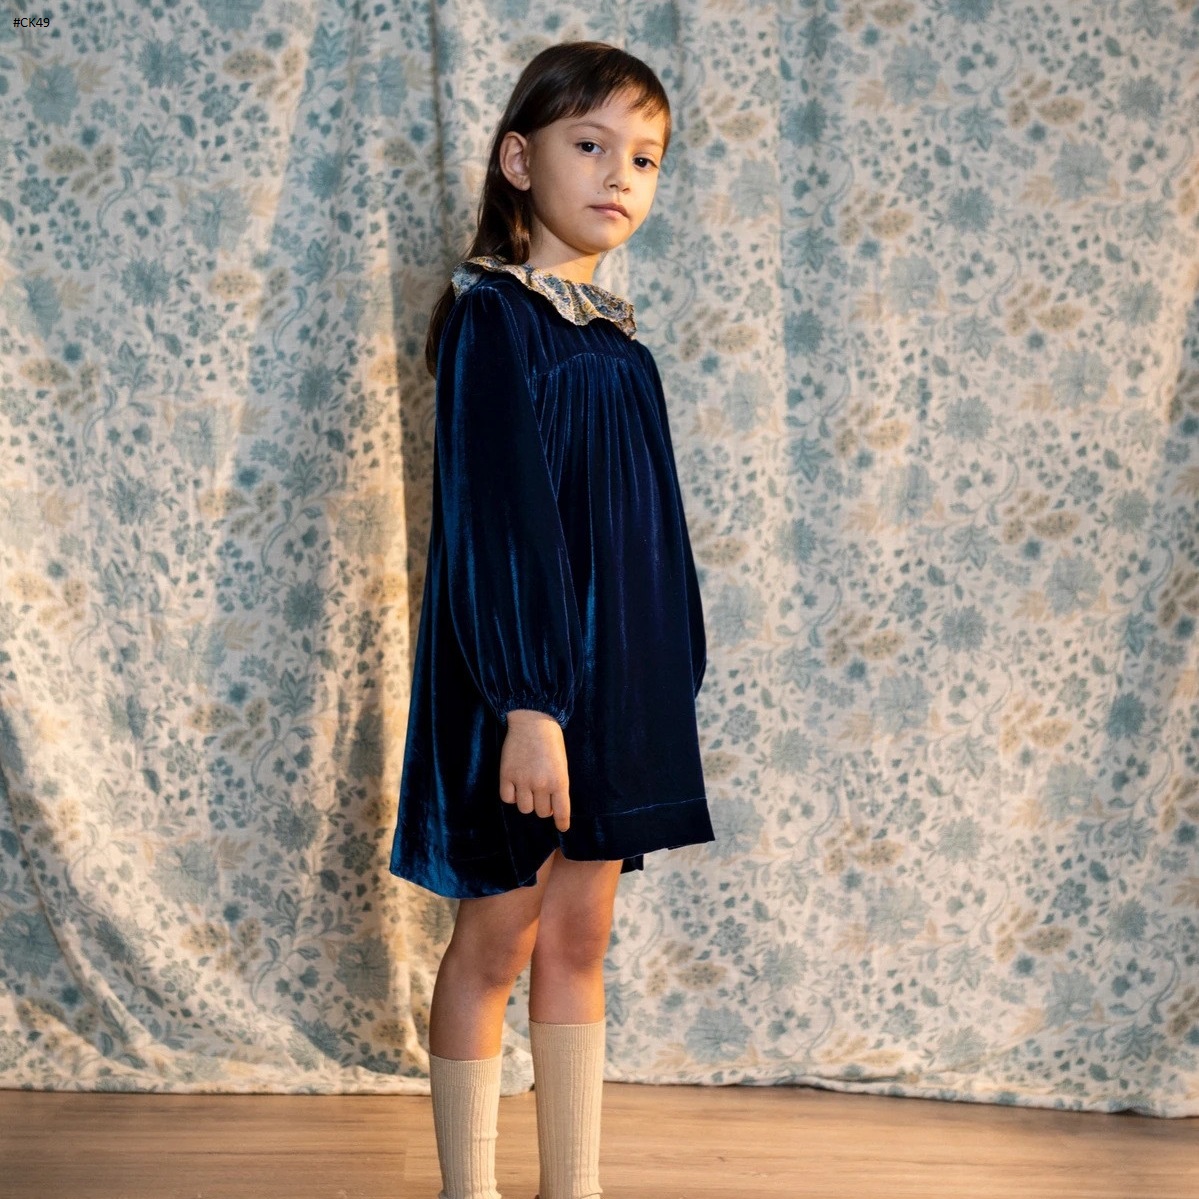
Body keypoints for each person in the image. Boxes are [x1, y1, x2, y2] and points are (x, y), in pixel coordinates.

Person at [389, 40, 714, 1199]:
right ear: (519, 161)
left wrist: (668, 669)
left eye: (644, 157)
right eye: (590, 144)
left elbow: (651, 530)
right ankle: (467, 1187)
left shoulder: (620, 344)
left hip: (613, 688)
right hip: (519, 694)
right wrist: (529, 705)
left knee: (580, 938)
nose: (619, 174)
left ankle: (570, 1184)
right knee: (498, 937)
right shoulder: (493, 319)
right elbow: (498, 519)